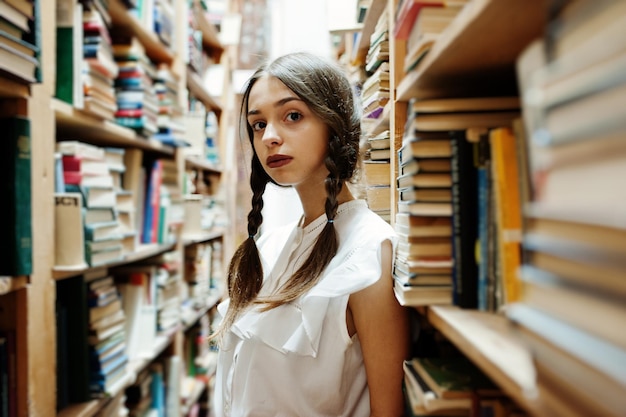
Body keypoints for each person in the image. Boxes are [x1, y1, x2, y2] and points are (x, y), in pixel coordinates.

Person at [212, 52, 409, 417]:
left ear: (334, 125)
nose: (269, 137)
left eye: (292, 116)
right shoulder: (272, 244)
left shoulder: (368, 252)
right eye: (258, 124)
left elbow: (387, 410)